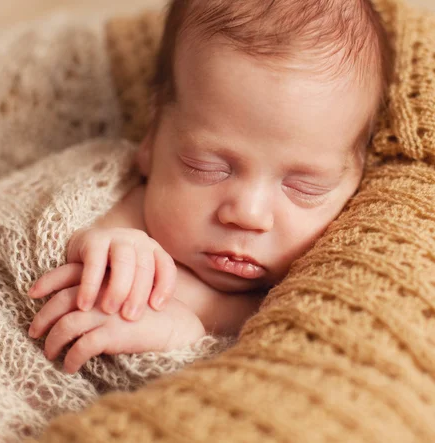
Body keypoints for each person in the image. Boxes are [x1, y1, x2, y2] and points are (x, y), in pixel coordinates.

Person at [27, 0, 391, 373]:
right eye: (209, 167)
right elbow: (51, 231)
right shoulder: (120, 200)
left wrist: (189, 332)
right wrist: (101, 244)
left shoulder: (309, 303)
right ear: (152, 138)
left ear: (357, 179)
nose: (249, 214)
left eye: (304, 187)